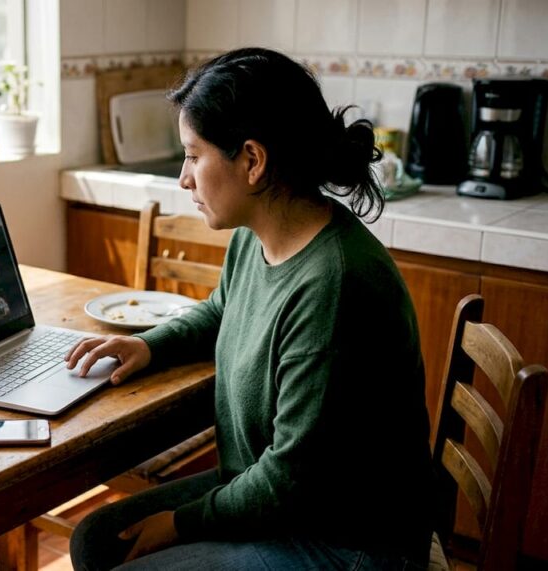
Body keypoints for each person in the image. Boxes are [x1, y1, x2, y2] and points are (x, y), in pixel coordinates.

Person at [65, 47, 433, 570]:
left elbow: (291, 480)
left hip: (345, 541)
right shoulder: (259, 236)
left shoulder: (336, 284)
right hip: (274, 494)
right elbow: (220, 309)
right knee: (96, 540)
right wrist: (149, 345)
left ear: (253, 161)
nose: (184, 178)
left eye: (194, 155)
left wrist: (180, 523)